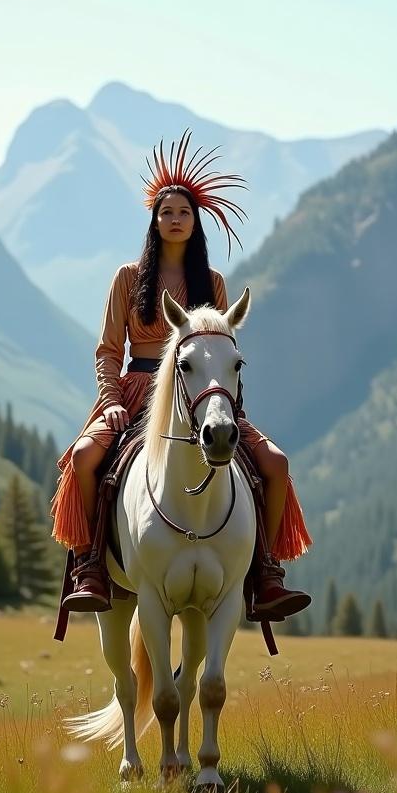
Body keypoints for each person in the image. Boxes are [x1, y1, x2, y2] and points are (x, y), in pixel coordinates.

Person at [50, 131, 312, 621]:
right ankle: (90, 568)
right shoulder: (127, 278)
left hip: (199, 392)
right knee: (85, 457)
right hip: (132, 391)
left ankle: (266, 574)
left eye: (184, 213)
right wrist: (110, 398)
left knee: (273, 465)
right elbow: (108, 349)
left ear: (197, 223)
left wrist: (226, 402)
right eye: (166, 212)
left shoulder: (211, 283)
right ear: (154, 220)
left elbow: (220, 350)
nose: (175, 220)